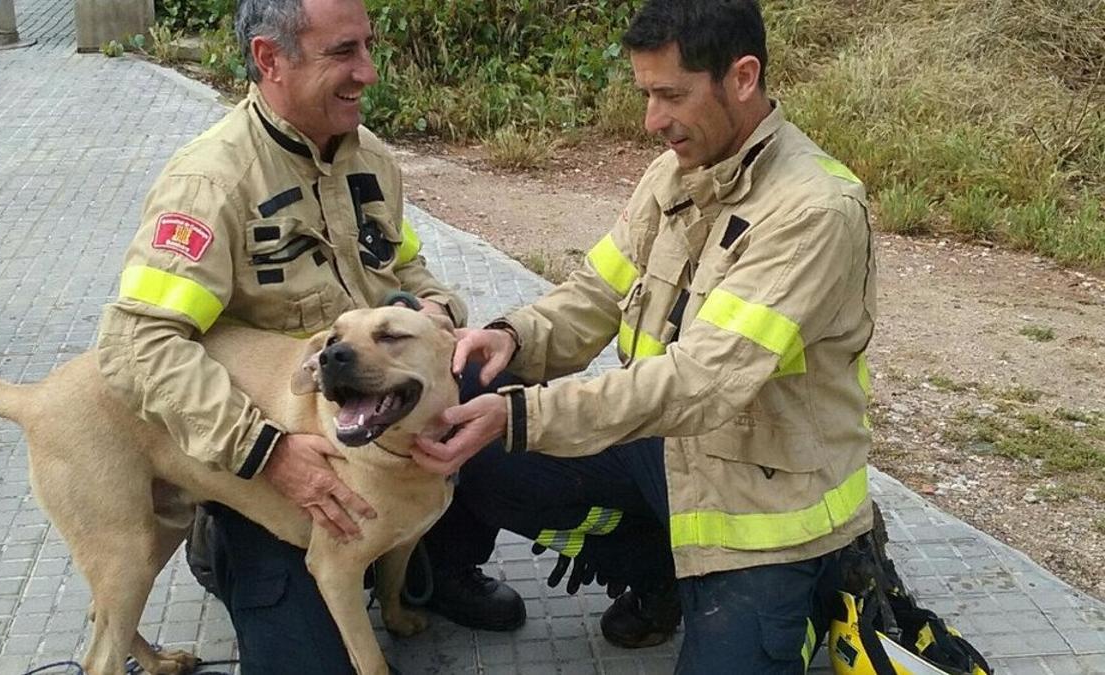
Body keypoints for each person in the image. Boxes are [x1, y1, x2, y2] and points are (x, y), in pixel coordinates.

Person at [413, 0, 878, 671]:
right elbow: (596, 294)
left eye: (670, 95)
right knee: (467, 413)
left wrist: (524, 412)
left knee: (503, 422)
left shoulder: (813, 211)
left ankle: (813, 586)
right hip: (663, 447)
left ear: (743, 77)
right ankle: (659, 571)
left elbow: (702, 382)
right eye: (645, 94)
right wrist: (515, 337)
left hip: (761, 505)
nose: (652, 120)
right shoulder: (676, 171)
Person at [94, 0, 523, 671]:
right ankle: (227, 547)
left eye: (367, 47)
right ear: (271, 59)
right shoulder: (212, 181)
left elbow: (406, 267)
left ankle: (442, 559)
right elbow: (135, 345)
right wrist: (262, 451)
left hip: (381, 415)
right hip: (268, 453)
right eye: (343, 53)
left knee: (507, 392)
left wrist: (438, 309)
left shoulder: (370, 161)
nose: (369, 72)